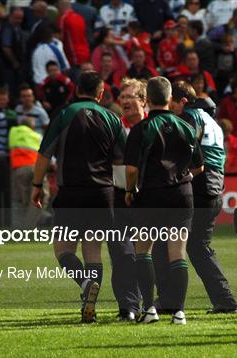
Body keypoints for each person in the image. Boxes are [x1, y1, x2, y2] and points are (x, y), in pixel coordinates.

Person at [31, 71, 127, 323]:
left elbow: (44, 155)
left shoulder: (64, 115)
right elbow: (121, 162)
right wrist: (123, 192)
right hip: (103, 194)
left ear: (75, 90)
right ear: (101, 93)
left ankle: (86, 286)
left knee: (62, 249)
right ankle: (89, 307)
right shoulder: (112, 118)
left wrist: (36, 184)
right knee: (93, 251)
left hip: (71, 192)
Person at [124, 76, 203, 325]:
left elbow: (131, 170)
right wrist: (182, 177)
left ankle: (149, 309)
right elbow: (199, 166)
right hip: (181, 195)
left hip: (150, 195)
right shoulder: (186, 127)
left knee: (143, 250)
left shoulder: (141, 130)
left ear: (147, 101)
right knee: (177, 252)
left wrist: (129, 190)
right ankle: (179, 312)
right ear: (170, 99)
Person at [170, 81, 237, 314]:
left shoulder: (189, 117)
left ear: (182, 101)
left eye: (171, 101)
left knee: (192, 245)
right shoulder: (212, 122)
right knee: (197, 246)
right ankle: (224, 301)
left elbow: (188, 153)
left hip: (200, 187)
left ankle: (225, 301)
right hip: (214, 186)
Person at [109, 78, 147, 321]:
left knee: (149, 255)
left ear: (143, 100)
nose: (125, 101)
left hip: (149, 198)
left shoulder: (155, 126)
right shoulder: (114, 129)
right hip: (118, 197)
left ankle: (155, 303)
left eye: (130, 96)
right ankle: (129, 307)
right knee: (122, 252)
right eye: (122, 97)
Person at [9, 116, 44, 228]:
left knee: (19, 199)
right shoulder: (37, 136)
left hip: (19, 169)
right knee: (38, 197)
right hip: (36, 168)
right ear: (32, 126)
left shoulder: (13, 132)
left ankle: (19, 227)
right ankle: (30, 224)